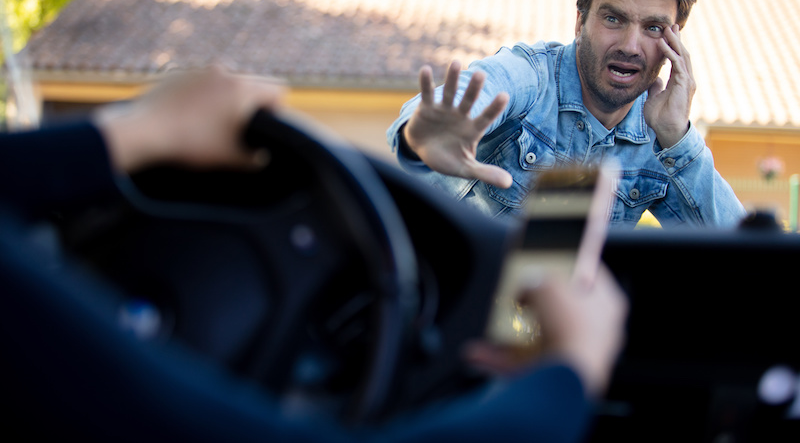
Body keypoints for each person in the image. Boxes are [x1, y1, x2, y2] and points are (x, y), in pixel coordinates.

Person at [0, 65, 627, 441]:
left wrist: (127, 135)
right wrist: (572, 369)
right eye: (614, 17)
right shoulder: (537, 71)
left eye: (658, 26)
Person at [387, 0, 747, 227]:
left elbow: (742, 248)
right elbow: (481, 87)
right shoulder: (529, 76)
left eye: (653, 27)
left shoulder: (660, 139)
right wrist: (427, 132)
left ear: (674, 43)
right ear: (580, 21)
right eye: (613, 19)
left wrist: (676, 137)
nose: (630, 46)